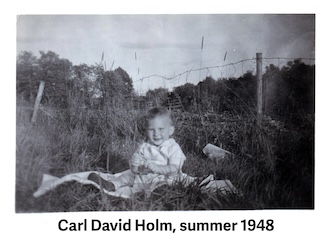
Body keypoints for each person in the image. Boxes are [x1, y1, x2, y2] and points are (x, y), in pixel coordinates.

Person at [87, 106, 186, 194]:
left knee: (162, 184)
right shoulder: (144, 147)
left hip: (162, 178)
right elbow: (134, 170)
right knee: (127, 176)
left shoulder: (173, 147)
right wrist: (135, 164)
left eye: (161, 129)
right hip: (141, 178)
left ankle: (159, 193)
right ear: (147, 130)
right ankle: (111, 185)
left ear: (170, 130)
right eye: (152, 130)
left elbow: (175, 168)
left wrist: (158, 168)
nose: (156, 134)